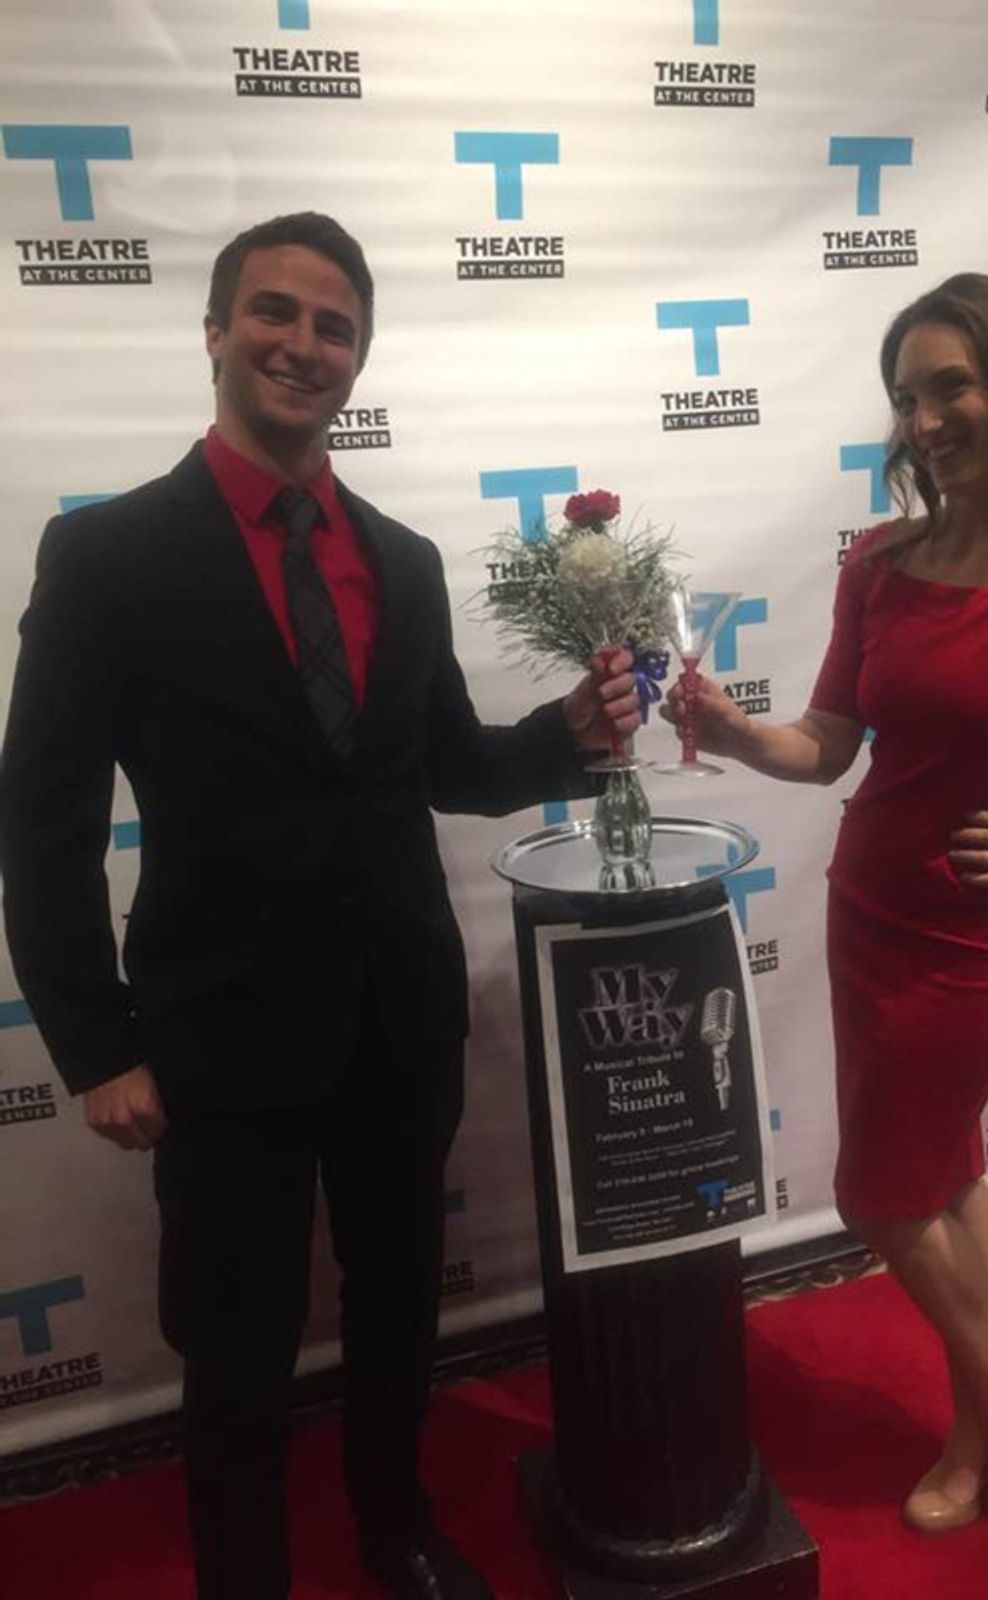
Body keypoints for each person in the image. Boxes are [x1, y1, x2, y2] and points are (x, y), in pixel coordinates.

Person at [0, 211, 638, 1600]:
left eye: (334, 324)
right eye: (274, 314)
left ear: (361, 355)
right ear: (217, 331)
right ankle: (247, 1575)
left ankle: (394, 1527)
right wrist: (97, 1044)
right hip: (220, 1032)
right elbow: (41, 826)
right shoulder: (108, 559)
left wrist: (572, 735)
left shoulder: (401, 559)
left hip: (397, 1015)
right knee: (233, 1339)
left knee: (402, 1302)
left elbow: (449, 767)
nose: (304, 344)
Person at [665, 273, 988, 1552]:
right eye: (907, 397)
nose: (927, 418)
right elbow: (829, 747)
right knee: (946, 1170)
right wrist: (739, 734)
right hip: (869, 909)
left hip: (974, 928)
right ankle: (986, 1420)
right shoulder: (881, 560)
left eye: (950, 385)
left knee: (877, 1194)